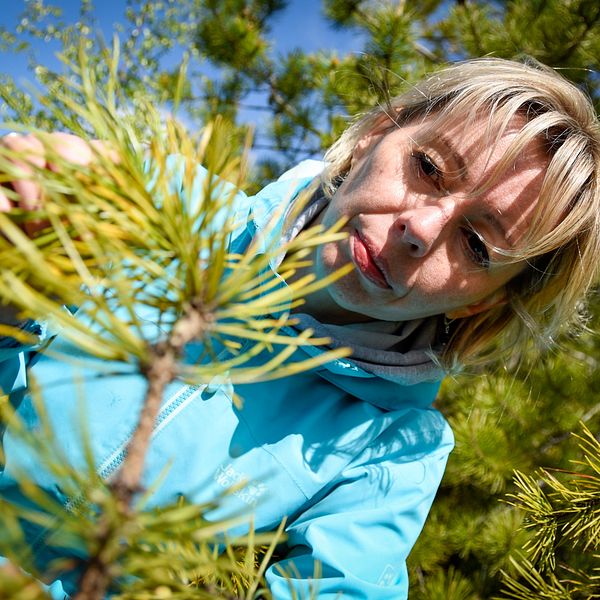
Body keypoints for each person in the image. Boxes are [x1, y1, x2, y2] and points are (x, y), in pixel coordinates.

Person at [0, 56, 599, 599]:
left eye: (475, 242)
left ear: (482, 305)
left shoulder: (389, 454)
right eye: (429, 167)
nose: (419, 229)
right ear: (374, 135)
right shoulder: (168, 207)